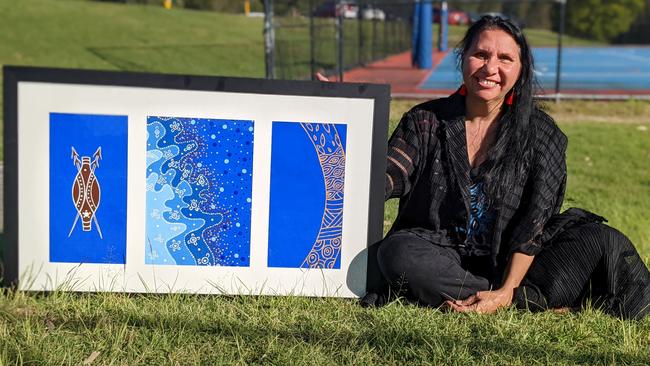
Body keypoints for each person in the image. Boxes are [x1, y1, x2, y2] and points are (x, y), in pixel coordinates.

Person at [360, 15, 649, 320]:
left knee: (600, 240)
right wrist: (342, 114)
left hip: (517, 262)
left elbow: (534, 224)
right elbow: (390, 173)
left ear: (520, 69)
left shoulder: (541, 133)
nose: (490, 68)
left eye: (505, 58)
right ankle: (522, 300)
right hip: (440, 253)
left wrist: (508, 288)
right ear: (463, 59)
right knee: (397, 253)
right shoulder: (425, 121)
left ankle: (506, 296)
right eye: (481, 54)